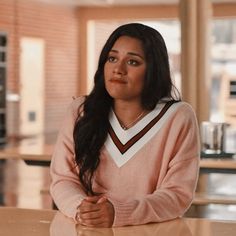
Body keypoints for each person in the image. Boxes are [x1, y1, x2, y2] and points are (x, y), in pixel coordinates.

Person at [50, 23, 200, 228]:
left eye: (133, 62)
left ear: (153, 70)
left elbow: (177, 195)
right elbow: (62, 179)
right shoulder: (81, 111)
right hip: (87, 229)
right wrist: (83, 210)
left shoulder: (178, 116)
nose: (118, 69)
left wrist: (119, 213)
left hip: (150, 231)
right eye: (112, 58)